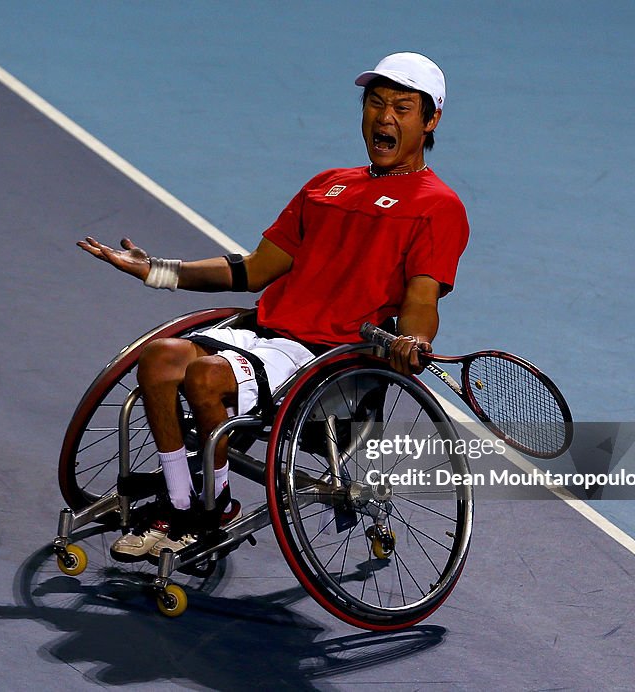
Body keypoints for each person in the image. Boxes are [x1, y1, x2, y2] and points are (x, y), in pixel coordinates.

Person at [78, 52, 469, 559]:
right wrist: (158, 269)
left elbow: (421, 297)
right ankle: (179, 504)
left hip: (327, 356)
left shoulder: (438, 206)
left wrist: (412, 340)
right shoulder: (326, 184)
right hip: (265, 333)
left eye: (402, 106)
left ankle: (208, 511)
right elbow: (257, 269)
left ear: (431, 119)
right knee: (159, 358)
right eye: (375, 103)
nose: (384, 117)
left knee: (204, 379)